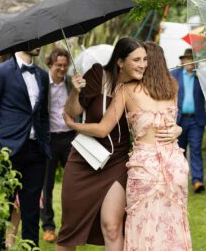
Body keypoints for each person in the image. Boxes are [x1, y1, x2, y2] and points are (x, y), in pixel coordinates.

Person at [63, 42, 192, 250]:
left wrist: (72, 124)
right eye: (137, 60)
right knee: (170, 225)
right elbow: (171, 122)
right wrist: (177, 130)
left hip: (133, 164)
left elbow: (104, 128)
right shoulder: (171, 87)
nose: (142, 65)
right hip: (169, 163)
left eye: (145, 60)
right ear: (121, 62)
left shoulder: (129, 89)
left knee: (134, 227)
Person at [0, 48, 51, 250]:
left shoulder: (42, 75)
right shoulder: (0, 72)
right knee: (2, 211)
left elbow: (43, 114)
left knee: (31, 213)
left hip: (35, 152)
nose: (39, 44)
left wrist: (45, 143)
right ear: (20, 41)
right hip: (6, 153)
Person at [41, 47, 76, 243]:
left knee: (73, 183)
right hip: (49, 139)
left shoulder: (70, 83)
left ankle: (71, 225)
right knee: (46, 185)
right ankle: (48, 226)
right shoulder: (43, 83)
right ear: (51, 64)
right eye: (58, 66)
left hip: (69, 137)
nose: (62, 69)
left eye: (65, 65)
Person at [171, 48, 206, 193]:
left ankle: (197, 181)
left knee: (196, 150)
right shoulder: (174, 75)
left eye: (192, 59)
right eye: (187, 59)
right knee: (179, 152)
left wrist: (203, 77)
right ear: (183, 60)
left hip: (196, 120)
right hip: (179, 120)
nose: (189, 62)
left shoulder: (202, 78)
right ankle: (180, 180)